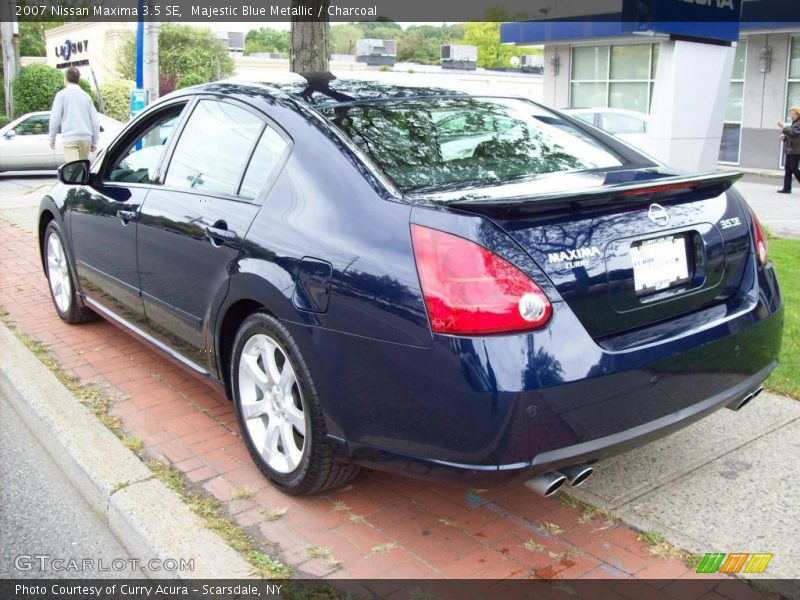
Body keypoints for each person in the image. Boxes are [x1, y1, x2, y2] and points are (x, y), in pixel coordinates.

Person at [49, 67, 100, 163]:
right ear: (78, 79)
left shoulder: (61, 95)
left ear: (66, 79)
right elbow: (95, 122)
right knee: (82, 170)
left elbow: (55, 119)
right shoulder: (86, 96)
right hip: (86, 139)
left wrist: (52, 138)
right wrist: (94, 142)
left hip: (70, 138)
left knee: (74, 170)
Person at [777, 105, 800, 194]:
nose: (791, 115)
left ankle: (787, 188)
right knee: (788, 169)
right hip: (791, 149)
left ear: (798, 114)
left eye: (793, 114)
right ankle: (786, 188)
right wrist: (785, 138)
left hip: (796, 150)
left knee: (794, 168)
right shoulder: (794, 123)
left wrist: (783, 126)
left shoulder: (799, 123)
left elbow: (794, 133)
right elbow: (791, 135)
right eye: (790, 114)